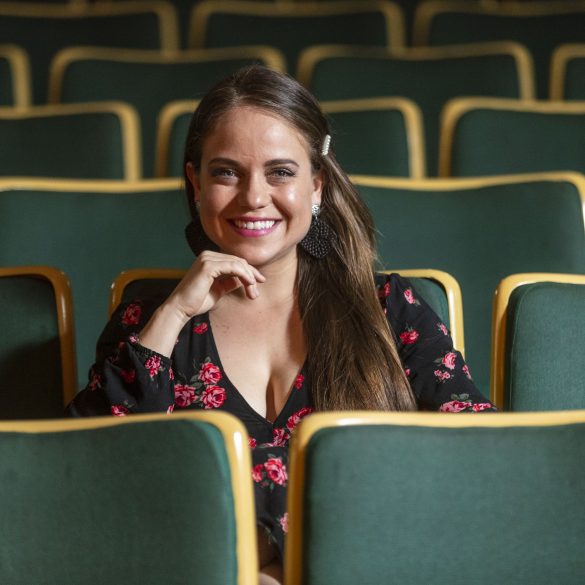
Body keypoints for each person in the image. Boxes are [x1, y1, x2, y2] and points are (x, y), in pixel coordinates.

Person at [67, 65, 495, 584]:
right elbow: (85, 484)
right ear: (196, 183)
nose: (253, 197)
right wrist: (174, 315)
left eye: (280, 172)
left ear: (316, 186)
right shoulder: (146, 324)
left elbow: (478, 458)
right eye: (226, 172)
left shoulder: (388, 309)